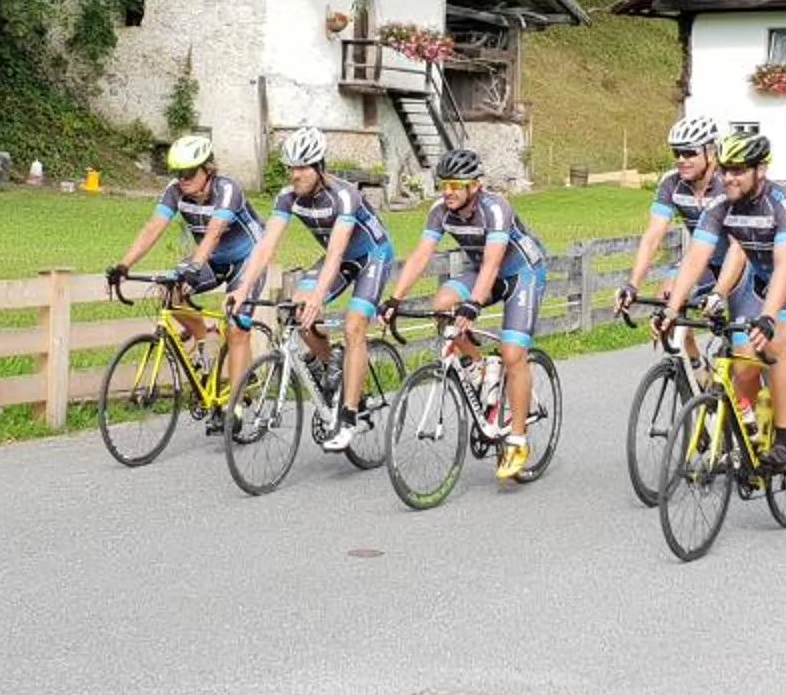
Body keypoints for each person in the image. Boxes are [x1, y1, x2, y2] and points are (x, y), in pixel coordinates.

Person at [655, 132, 786, 474]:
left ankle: (784, 440)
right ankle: (747, 440)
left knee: (775, 345)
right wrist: (672, 308)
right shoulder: (721, 206)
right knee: (742, 361)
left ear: (760, 170)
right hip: (764, 282)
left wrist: (768, 318)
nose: (729, 178)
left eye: (738, 171)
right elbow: (695, 260)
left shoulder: (785, 202)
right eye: (725, 170)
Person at [381, 148, 551, 485]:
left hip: (522, 274)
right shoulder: (440, 211)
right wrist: (394, 298)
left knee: (513, 353)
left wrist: (473, 305)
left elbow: (492, 264)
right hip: (483, 271)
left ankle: (517, 439)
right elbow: (420, 255)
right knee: (443, 302)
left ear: (475, 186)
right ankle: (477, 364)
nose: (448, 192)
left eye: (456, 185)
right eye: (443, 185)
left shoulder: (496, 209)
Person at [230, 127, 393, 452]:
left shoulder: (344, 195)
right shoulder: (286, 198)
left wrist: (319, 298)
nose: (295, 175)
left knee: (354, 325)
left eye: (302, 167)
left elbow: (335, 253)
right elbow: (265, 246)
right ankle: (332, 363)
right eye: (291, 167)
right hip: (340, 257)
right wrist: (243, 288)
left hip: (372, 255)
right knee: (298, 310)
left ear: (319, 167)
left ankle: (349, 416)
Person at [106, 133, 260, 410]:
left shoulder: (228, 190)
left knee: (237, 328)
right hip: (212, 258)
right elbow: (153, 227)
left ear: (207, 170)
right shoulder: (175, 191)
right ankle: (205, 338)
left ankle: (235, 407)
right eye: (178, 172)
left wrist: (193, 267)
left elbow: (214, 234)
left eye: (189, 172)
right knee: (169, 290)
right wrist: (123, 265)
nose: (183, 178)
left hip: (247, 259)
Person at [614, 115, 737, 341]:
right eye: (676, 153)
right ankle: (693, 368)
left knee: (744, 345)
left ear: (711, 153)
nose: (681, 159)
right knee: (665, 303)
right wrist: (633, 284)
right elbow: (653, 237)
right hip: (702, 261)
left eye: (689, 153)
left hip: (739, 263)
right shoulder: (671, 183)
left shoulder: (728, 184)